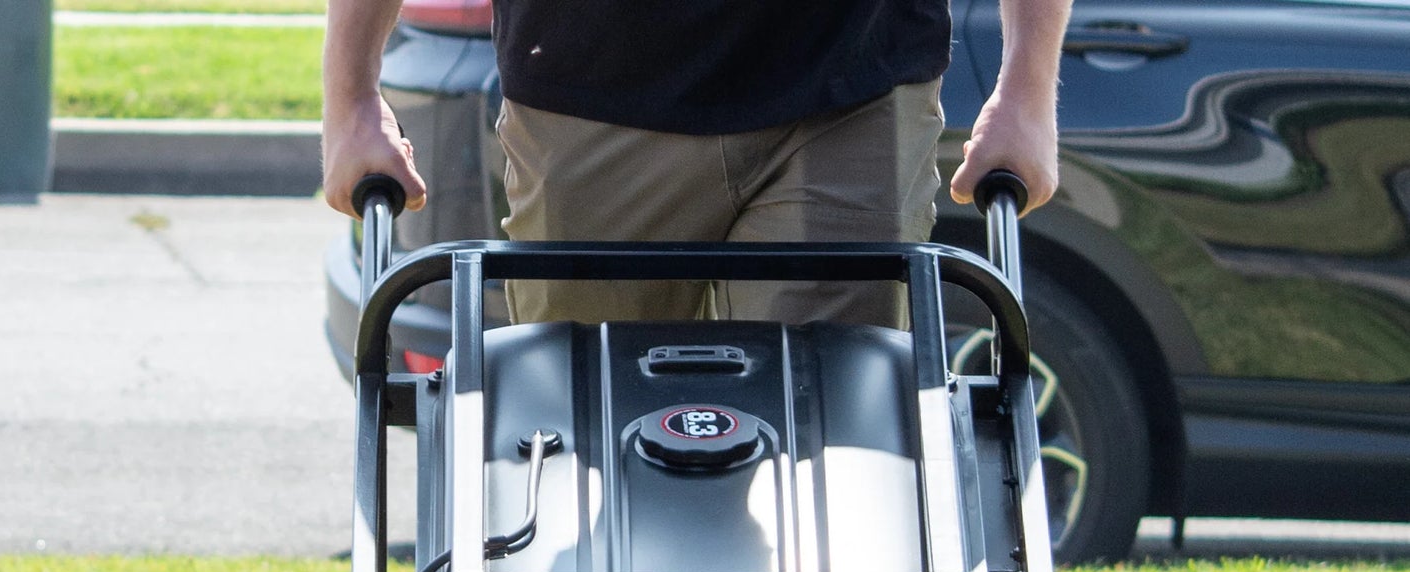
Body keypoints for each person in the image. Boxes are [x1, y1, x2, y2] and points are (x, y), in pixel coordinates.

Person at [321, 0, 1070, 327]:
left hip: (847, 87)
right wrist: (351, 98)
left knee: (834, 452)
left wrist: (1028, 92)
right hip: (590, 89)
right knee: (583, 446)